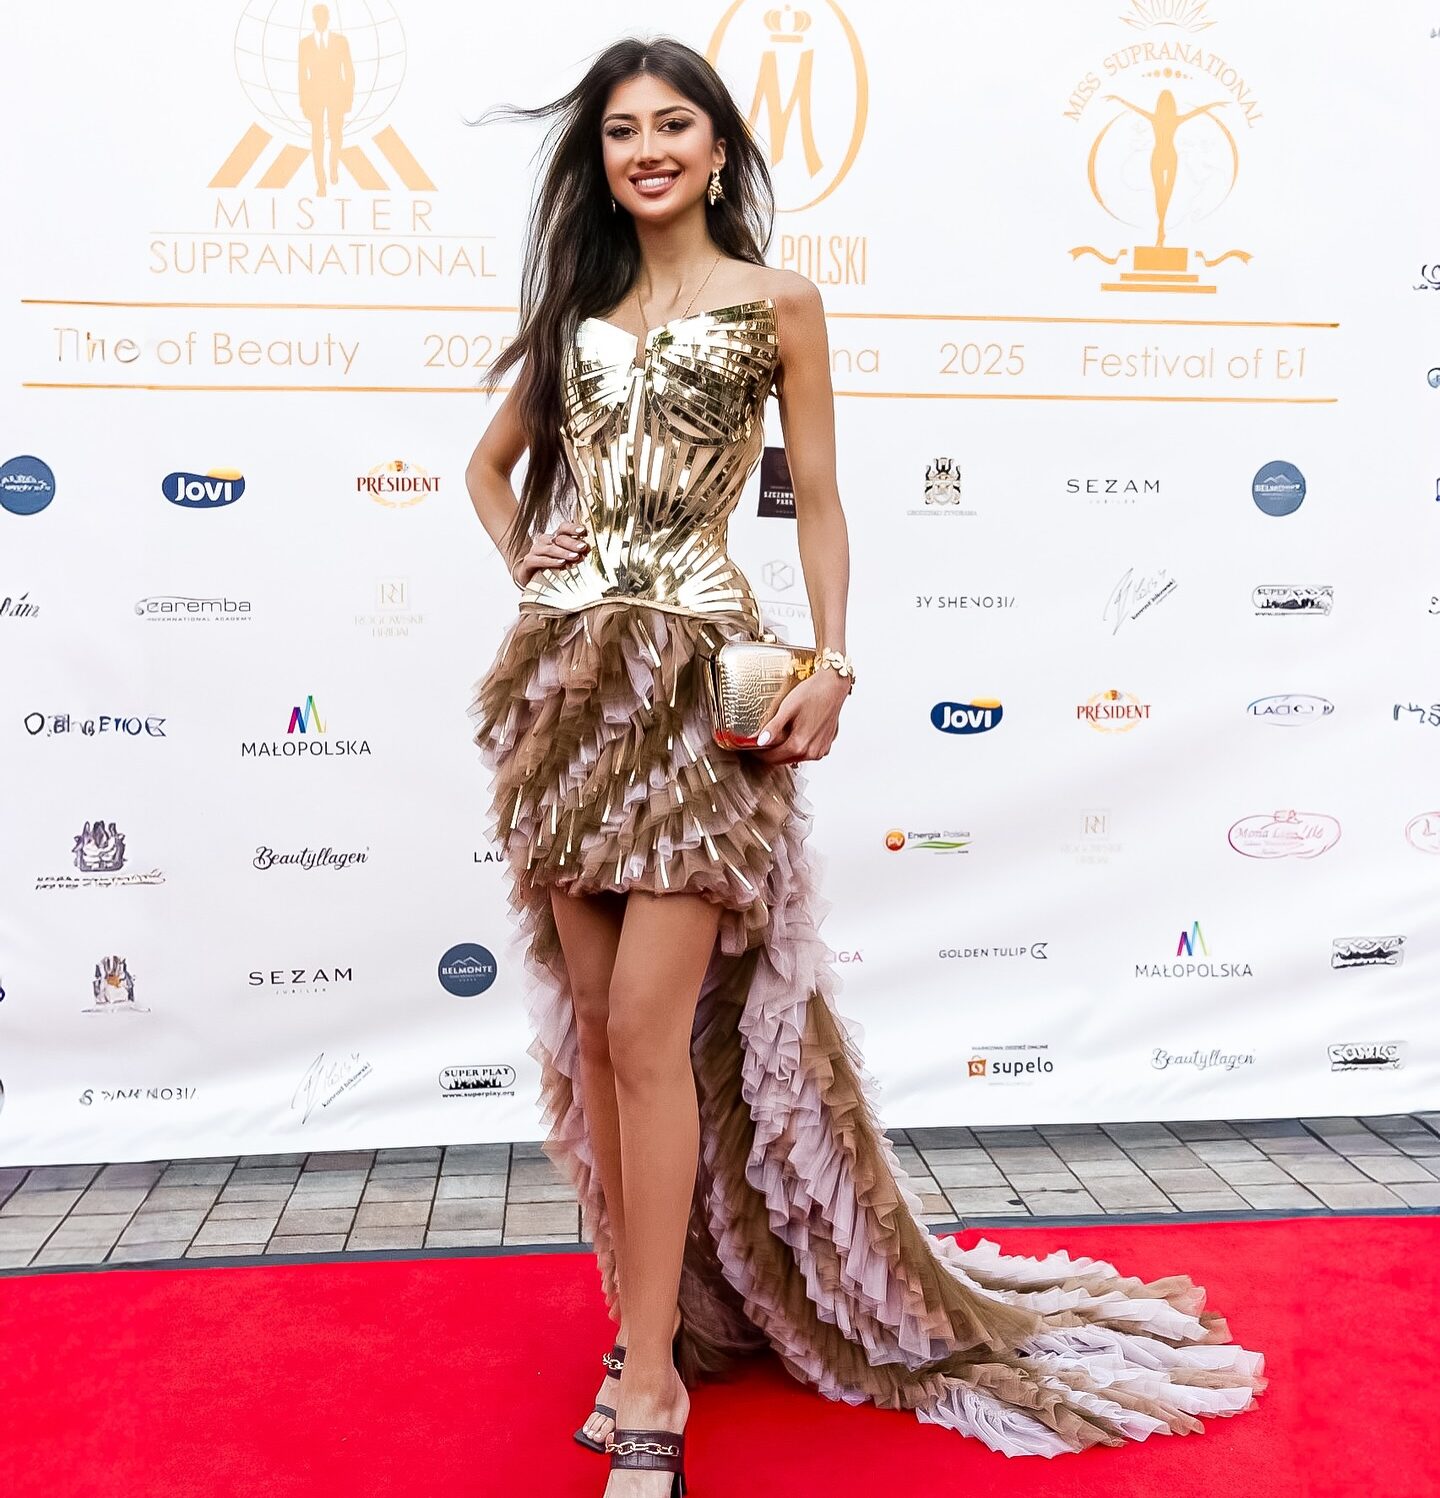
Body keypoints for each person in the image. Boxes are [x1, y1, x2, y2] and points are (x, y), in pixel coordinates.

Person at [465, 36, 1266, 1498]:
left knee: (648, 1026)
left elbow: (818, 497)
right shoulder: (574, 306)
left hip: (698, 688)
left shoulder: (779, 301)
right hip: (569, 695)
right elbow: (486, 464)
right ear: (600, 158)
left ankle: (650, 1384)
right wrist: (533, 552)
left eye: (674, 125)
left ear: (719, 149)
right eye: (622, 132)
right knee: (593, 1032)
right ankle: (653, 1325)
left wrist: (834, 661)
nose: (647, 151)